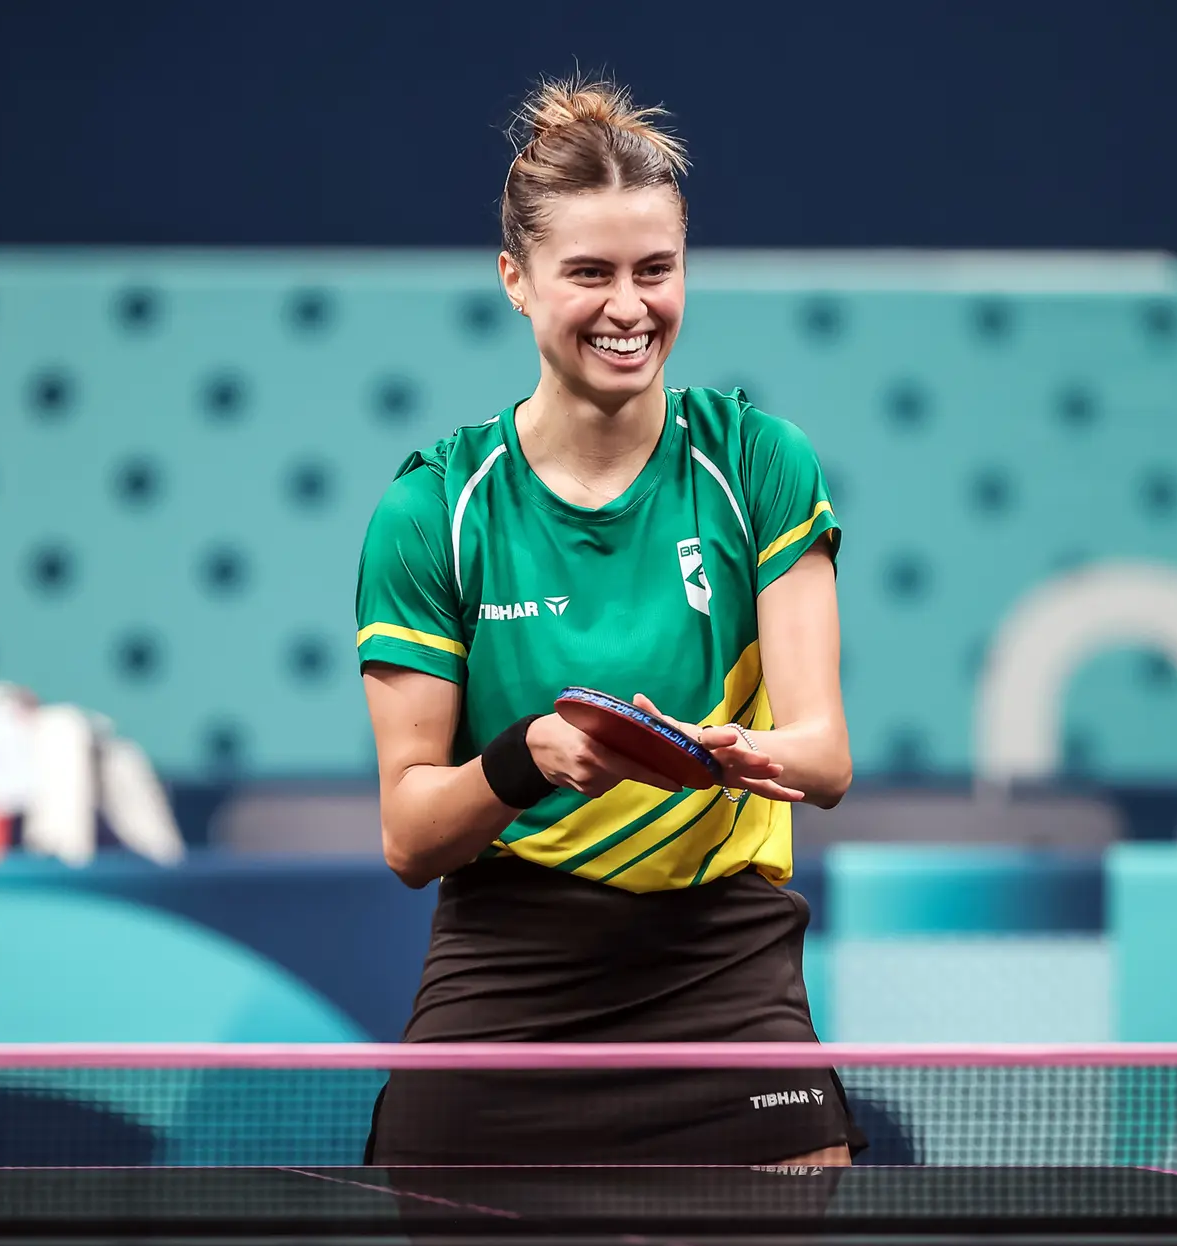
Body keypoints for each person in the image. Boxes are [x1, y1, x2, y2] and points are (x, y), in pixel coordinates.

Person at [355, 77, 861, 1166]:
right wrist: (526, 755)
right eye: (588, 272)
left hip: (718, 954)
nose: (629, 307)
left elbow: (823, 759)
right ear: (517, 282)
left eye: (655, 270)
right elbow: (407, 834)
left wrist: (732, 755)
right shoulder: (437, 510)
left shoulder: (755, 462)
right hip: (512, 959)